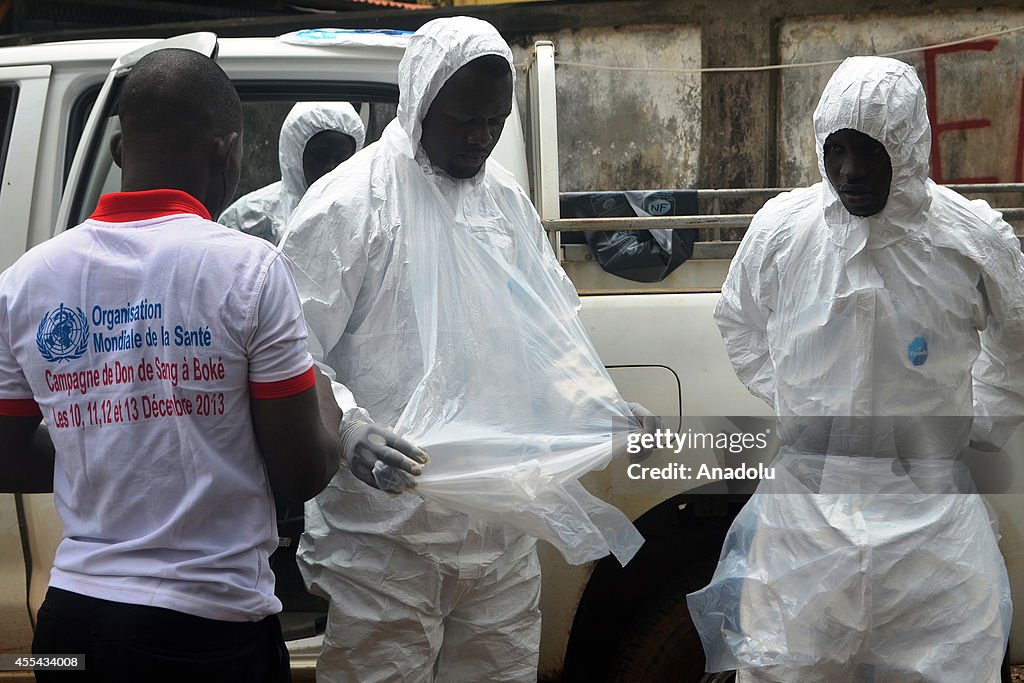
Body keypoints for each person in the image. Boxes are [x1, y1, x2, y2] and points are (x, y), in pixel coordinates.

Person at [280, 16, 653, 683]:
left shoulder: (502, 202)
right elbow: (290, 347)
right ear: (420, 100)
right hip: (386, 535)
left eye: (494, 120)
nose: (481, 138)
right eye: (463, 120)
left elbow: (547, 331)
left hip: (497, 525)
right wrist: (350, 426)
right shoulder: (348, 205)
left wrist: (603, 407)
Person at [0, 48, 360, 682]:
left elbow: (4, 458)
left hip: (68, 630)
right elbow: (300, 470)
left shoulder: (25, 281)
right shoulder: (249, 269)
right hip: (212, 633)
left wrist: (108, 433)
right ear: (227, 151)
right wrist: (331, 406)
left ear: (116, 150)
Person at [687, 56, 1024, 682]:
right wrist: (796, 398)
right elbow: (740, 321)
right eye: (836, 149)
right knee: (785, 669)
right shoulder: (785, 231)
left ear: (908, 146)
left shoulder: (969, 239)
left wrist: (977, 426)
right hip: (805, 521)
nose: (849, 170)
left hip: (931, 526)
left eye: (870, 150)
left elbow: (1019, 343)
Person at [220, 102, 366, 243]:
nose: (330, 167)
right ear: (295, 155)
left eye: (341, 158)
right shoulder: (250, 217)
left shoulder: (364, 217)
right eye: (319, 156)